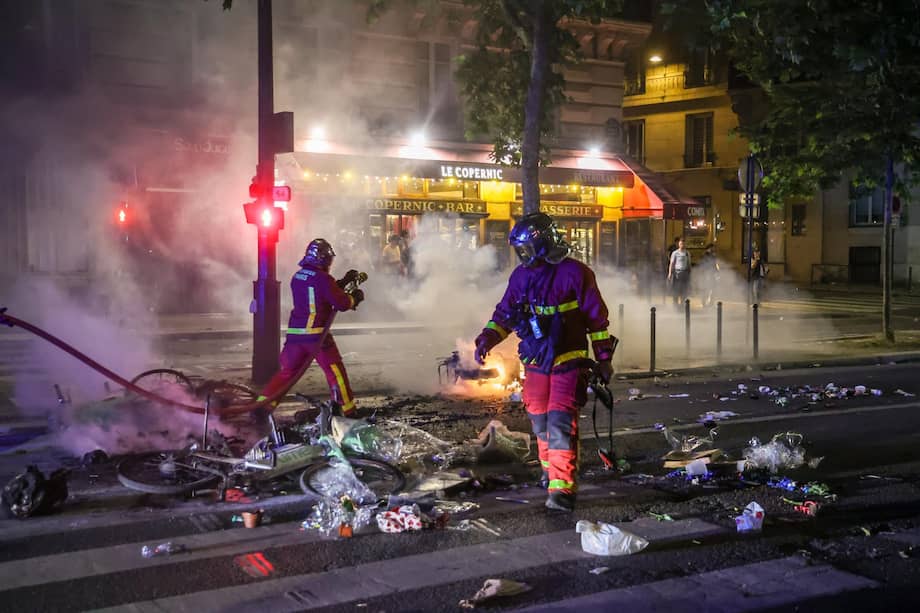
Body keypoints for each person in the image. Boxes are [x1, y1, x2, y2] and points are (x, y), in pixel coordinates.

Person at [473, 212, 618, 513]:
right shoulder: (521, 276)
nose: (522, 255)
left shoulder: (576, 273)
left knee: (560, 423)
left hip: (569, 359)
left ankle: (562, 488)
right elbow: (505, 314)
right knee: (539, 421)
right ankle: (549, 471)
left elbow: (597, 321)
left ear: (542, 243)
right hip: (536, 360)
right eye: (519, 250)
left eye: (525, 249)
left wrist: (604, 358)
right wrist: (487, 338)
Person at [258, 239, 365, 416]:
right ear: (322, 259)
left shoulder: (298, 276)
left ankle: (263, 406)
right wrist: (355, 298)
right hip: (317, 337)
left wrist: (342, 282)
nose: (329, 264)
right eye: (328, 260)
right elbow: (341, 302)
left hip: (295, 336)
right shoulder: (323, 279)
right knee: (335, 372)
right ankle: (347, 410)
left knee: (286, 374)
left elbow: (320, 293)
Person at [668, 237, 692, 307]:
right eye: (681, 244)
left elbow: (689, 263)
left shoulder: (687, 253)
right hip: (677, 273)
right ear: (679, 244)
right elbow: (671, 263)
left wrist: (690, 273)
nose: (682, 245)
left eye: (683, 244)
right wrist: (670, 273)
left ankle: (682, 304)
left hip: (685, 273)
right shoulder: (675, 253)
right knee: (676, 289)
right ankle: (675, 304)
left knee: (683, 290)